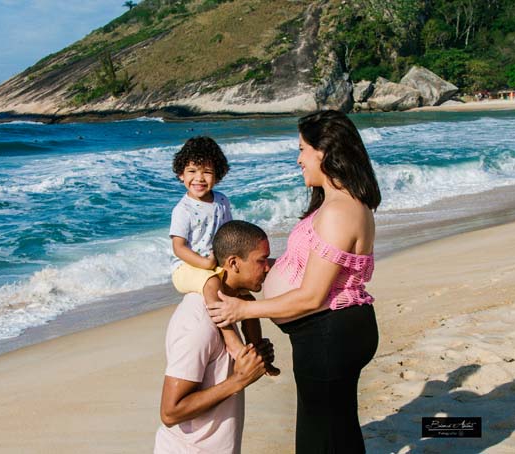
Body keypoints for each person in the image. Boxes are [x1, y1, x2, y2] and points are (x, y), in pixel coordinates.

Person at [207, 110, 381, 453]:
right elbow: (310, 269)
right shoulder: (338, 205)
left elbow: (312, 296)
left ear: (325, 152)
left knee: (321, 437)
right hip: (332, 333)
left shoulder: (339, 212)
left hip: (328, 335)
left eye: (303, 149)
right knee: (337, 429)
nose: (299, 159)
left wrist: (242, 309)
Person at [155, 220, 276, 453]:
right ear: (233, 263)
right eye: (261, 260)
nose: (268, 267)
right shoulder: (199, 324)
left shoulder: (227, 308)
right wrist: (238, 380)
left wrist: (255, 356)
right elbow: (170, 412)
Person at [169, 136, 279, 375]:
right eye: (191, 171)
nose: (199, 178)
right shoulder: (182, 210)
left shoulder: (221, 201)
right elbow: (178, 248)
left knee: (247, 301)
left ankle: (257, 352)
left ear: (217, 175)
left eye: (207, 172)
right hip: (187, 268)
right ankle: (234, 345)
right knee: (211, 284)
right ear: (181, 174)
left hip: (214, 265)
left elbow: (227, 235)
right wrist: (204, 263)